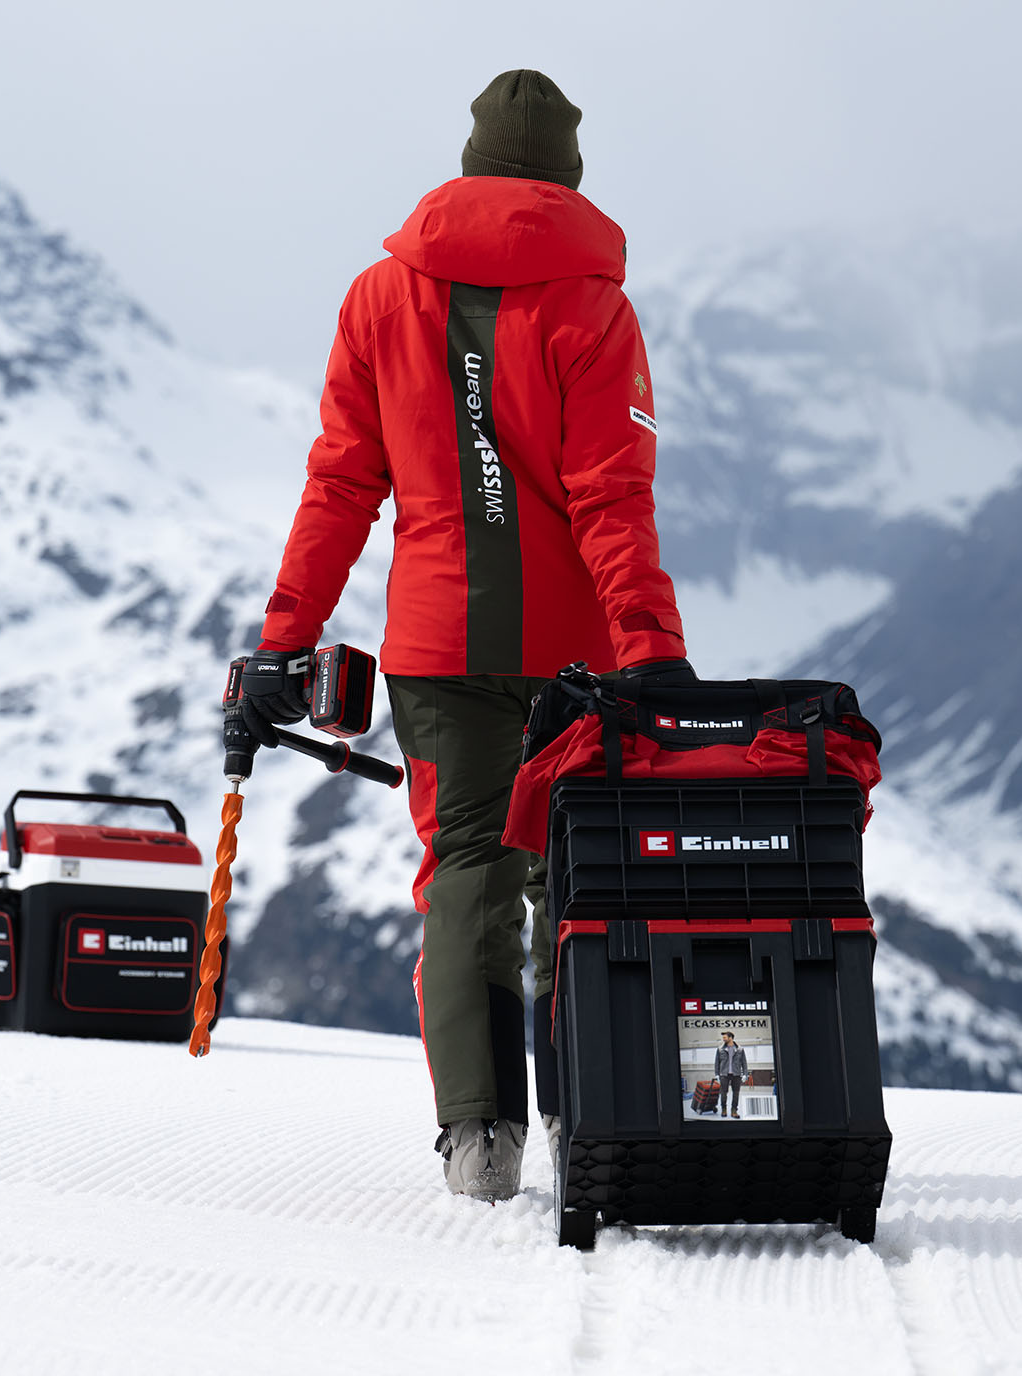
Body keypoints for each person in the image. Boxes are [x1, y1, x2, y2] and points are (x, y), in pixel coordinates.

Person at [235, 70, 690, 1201]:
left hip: (437, 650)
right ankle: (594, 1112)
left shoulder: (378, 296)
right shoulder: (594, 308)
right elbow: (611, 498)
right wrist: (651, 647)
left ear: (474, 161)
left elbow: (340, 483)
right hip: (576, 660)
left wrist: (285, 637)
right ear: (569, 176)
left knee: (469, 873)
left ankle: (479, 1140)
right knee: (577, 882)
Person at [715, 1032, 748, 1119]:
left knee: (736, 1093)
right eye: (723, 1037)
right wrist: (717, 1075)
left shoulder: (740, 1049)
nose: (723, 1039)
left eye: (725, 1037)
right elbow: (717, 1063)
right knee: (723, 1093)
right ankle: (724, 1109)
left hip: (736, 1074)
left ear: (731, 1037)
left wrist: (745, 1074)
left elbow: (744, 1063)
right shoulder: (720, 1049)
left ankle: (734, 1111)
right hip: (724, 1074)